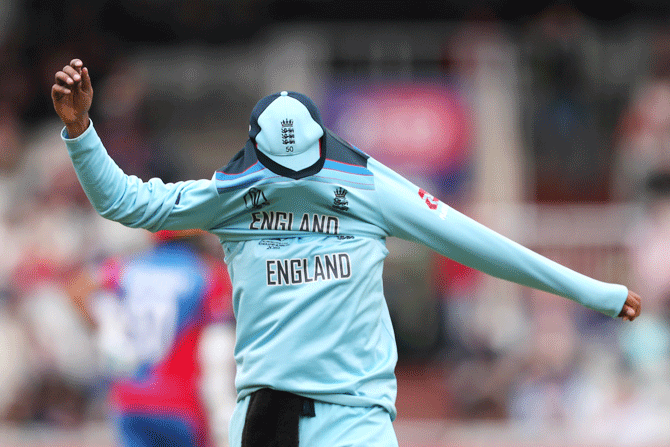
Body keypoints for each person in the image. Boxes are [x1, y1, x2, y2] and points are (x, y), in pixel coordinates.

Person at [52, 59, 641, 447]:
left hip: (354, 421)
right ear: (255, 153)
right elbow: (127, 203)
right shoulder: (230, 194)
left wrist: (597, 293)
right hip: (264, 420)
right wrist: (80, 131)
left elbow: (479, 243)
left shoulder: (368, 186)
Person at [66, 229, 234, 447]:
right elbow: (219, 338)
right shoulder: (207, 272)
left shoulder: (126, 267)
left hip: (130, 396)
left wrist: (108, 331)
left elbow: (78, 289)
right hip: (181, 400)